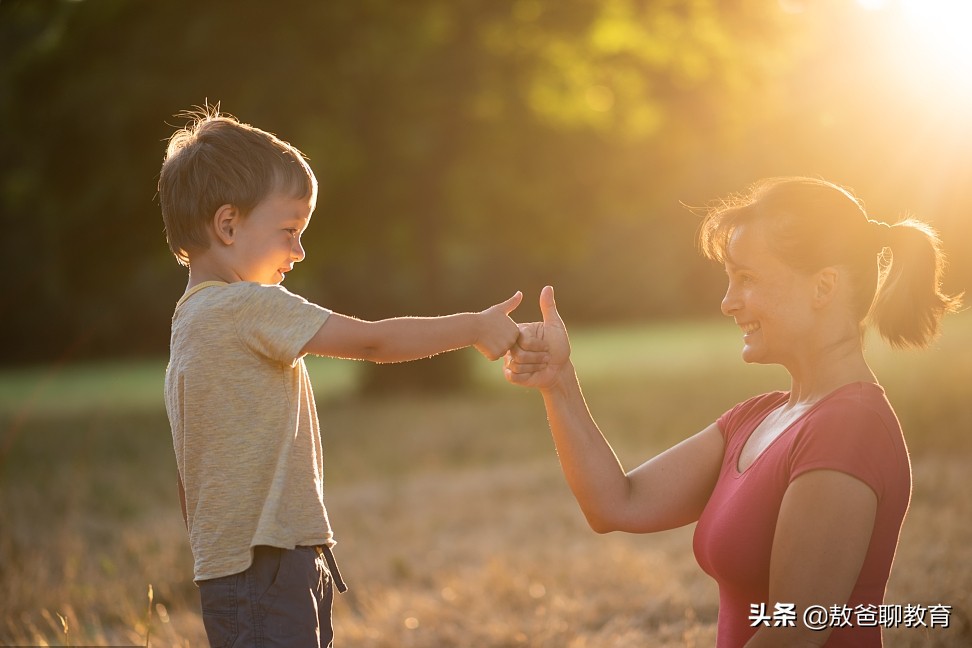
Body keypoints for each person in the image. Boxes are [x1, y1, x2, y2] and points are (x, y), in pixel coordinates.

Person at [504, 177, 961, 647]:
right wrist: (558, 382)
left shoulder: (849, 428)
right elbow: (617, 503)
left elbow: (793, 636)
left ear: (823, 287)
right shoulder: (757, 418)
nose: (727, 302)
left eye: (747, 279)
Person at [158, 106, 522, 648]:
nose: (299, 251)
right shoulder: (247, 306)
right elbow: (373, 342)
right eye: (289, 231)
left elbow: (189, 469)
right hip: (269, 562)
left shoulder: (188, 322)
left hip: (231, 567)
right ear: (228, 224)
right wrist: (474, 327)